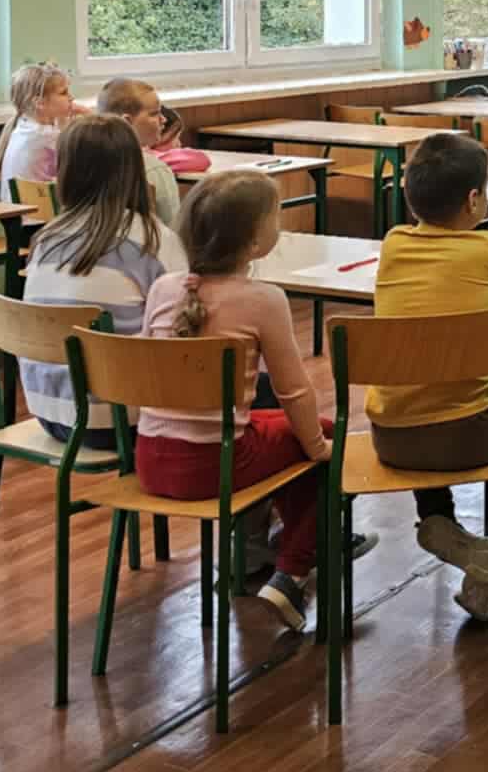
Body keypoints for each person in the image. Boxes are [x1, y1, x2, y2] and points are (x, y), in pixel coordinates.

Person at [135, 171, 366, 631]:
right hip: (213, 465)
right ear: (256, 241)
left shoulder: (163, 288)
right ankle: (293, 570)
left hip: (149, 459)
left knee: (288, 434)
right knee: (327, 439)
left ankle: (299, 547)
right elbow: (293, 391)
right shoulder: (264, 299)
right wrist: (318, 448)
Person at [372, 132, 488, 620]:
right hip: (470, 436)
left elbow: (446, 281)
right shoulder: (487, 250)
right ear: (474, 200)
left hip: (392, 437)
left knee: (419, 386)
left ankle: (436, 517)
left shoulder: (393, 245)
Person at [20, 115, 188, 449]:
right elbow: (187, 325)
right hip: (120, 420)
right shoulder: (153, 240)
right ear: (134, 169)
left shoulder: (45, 240)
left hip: (47, 410)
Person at [96, 76, 180, 226]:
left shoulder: (85, 162)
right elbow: (172, 227)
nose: (164, 119)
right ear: (126, 122)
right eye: (154, 113)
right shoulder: (154, 169)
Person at [0, 61, 85, 193]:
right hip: (40, 205)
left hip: (18, 206)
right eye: (64, 92)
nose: (71, 97)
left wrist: (63, 123)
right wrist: (90, 114)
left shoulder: (24, 126)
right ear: (39, 103)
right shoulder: (46, 136)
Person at [148, 105, 212, 177]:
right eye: (176, 137)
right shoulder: (151, 158)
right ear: (162, 136)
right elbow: (202, 160)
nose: (179, 144)